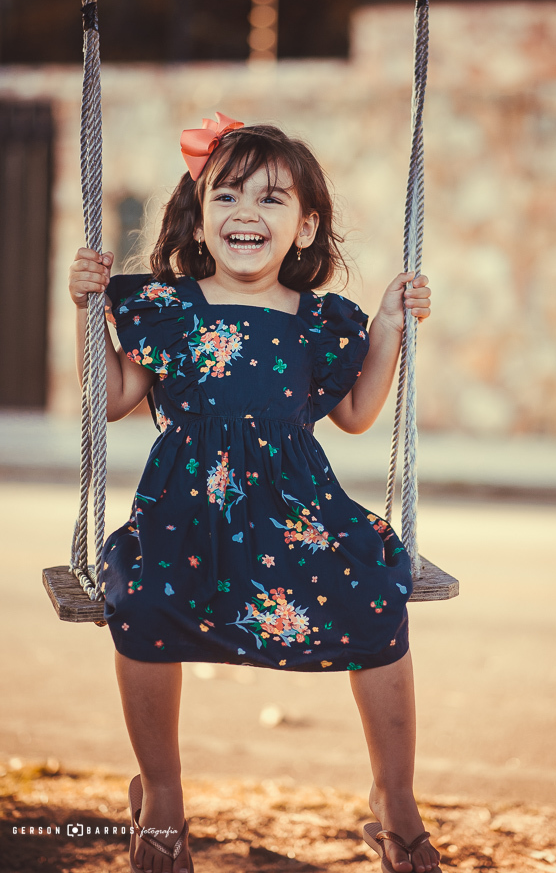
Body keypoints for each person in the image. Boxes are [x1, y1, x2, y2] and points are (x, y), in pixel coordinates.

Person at [68, 114, 441, 873]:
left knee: (378, 600)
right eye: (226, 194)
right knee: (139, 602)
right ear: (200, 219)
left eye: (271, 199)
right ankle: (164, 795)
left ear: (304, 228)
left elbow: (357, 415)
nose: (246, 212)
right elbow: (110, 399)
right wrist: (81, 314)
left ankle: (395, 801)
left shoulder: (322, 324)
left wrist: (391, 327)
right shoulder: (164, 309)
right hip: (186, 515)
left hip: (299, 517)